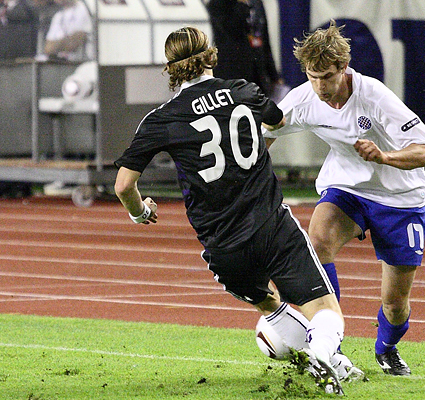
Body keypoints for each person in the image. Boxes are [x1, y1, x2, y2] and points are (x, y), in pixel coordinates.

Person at [114, 26, 358, 396]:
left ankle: (327, 360)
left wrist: (139, 212)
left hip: (223, 246)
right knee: (325, 309)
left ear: (170, 68)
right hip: (271, 225)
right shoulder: (243, 89)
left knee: (270, 305)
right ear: (211, 54)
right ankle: (324, 352)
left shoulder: (161, 119)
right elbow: (276, 120)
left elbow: (123, 185)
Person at [264, 20, 425, 376]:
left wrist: (384, 157)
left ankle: (386, 348)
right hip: (347, 189)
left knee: (395, 303)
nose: (319, 86)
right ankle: (331, 347)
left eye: (326, 76)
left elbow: (424, 153)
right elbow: (267, 133)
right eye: (313, 76)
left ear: (344, 68)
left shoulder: (374, 97)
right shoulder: (305, 98)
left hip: (399, 198)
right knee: (318, 239)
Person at [203, 0, 283, 99]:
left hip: (257, 75)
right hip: (231, 76)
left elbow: (265, 41)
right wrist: (242, 4)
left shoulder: (256, 3)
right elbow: (232, 29)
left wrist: (274, 76)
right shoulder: (218, 4)